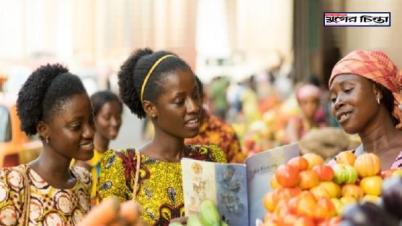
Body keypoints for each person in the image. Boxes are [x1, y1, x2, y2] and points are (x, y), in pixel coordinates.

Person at [97, 48, 227, 225]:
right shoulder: (125, 167)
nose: (194, 107)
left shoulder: (212, 159)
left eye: (195, 96)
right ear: (151, 108)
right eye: (180, 101)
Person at [0, 64, 95, 225]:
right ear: (44, 129)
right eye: (76, 126)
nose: (90, 132)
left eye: (91, 121)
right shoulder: (12, 185)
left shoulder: (84, 181)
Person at [329, 50, 402, 169]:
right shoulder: (339, 165)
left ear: (376, 91)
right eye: (333, 98)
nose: (337, 103)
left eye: (347, 90)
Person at [74, 90, 123, 204]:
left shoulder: (116, 157)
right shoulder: (84, 159)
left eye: (118, 116)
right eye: (107, 117)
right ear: (93, 119)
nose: (115, 122)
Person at [185, 76, 244, 163]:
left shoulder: (225, 132)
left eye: (195, 97)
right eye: (179, 101)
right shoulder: (169, 136)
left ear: (203, 98)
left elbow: (238, 172)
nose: (191, 108)